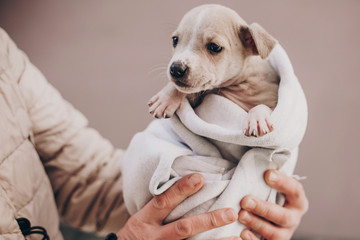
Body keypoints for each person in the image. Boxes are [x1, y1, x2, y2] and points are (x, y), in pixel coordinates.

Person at [0, 27, 308, 240]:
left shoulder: (5, 58)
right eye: (177, 41)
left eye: (213, 47)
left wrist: (251, 210)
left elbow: (88, 179)